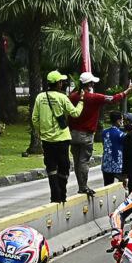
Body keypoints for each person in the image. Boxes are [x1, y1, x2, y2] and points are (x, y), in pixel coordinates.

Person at [67, 73, 132, 196]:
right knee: (83, 161)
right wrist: (127, 90)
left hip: (73, 133)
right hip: (86, 134)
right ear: (88, 84)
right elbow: (113, 99)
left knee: (77, 161)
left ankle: (81, 185)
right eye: (91, 83)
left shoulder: (72, 96)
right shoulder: (94, 97)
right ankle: (83, 186)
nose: (93, 85)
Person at [30, 71, 82, 202]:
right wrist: (81, 101)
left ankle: (55, 196)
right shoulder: (62, 97)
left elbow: (35, 118)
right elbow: (75, 113)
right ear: (58, 83)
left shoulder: (40, 97)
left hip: (47, 140)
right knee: (64, 167)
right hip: (62, 139)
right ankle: (62, 195)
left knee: (51, 167)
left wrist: (41, 132)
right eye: (61, 82)